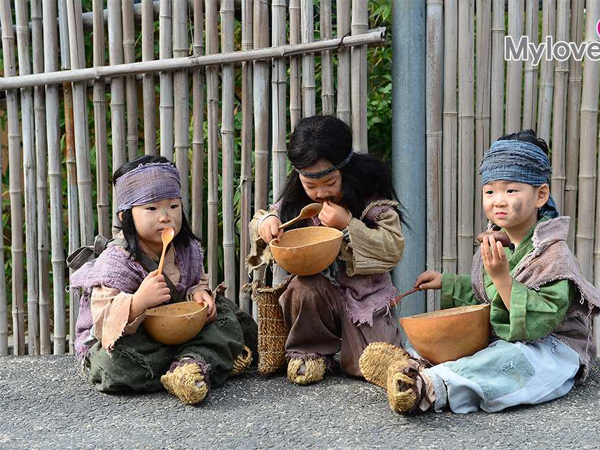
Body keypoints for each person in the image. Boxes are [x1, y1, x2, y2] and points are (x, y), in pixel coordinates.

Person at [359, 130, 600, 414]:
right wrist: (447, 283)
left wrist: (501, 277)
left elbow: (541, 322)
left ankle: (429, 386)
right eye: (490, 191)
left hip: (550, 349)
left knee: (508, 360)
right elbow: (485, 298)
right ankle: (410, 364)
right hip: (504, 337)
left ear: (540, 194)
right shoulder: (497, 240)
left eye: (511, 190)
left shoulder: (554, 255)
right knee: (453, 342)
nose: (498, 200)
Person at [70, 155, 257, 405]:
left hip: (179, 329)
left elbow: (195, 281)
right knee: (111, 365)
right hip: (134, 340)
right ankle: (199, 362)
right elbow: (102, 324)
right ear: (126, 217)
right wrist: (138, 302)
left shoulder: (186, 248)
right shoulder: (117, 261)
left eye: (173, 206)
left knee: (226, 315)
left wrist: (199, 294)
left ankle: (188, 365)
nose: (165, 216)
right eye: (151, 208)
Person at [248, 115, 408, 385]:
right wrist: (268, 222)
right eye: (311, 185)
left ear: (346, 170)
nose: (321, 193)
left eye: (330, 182)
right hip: (321, 296)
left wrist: (349, 224)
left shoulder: (371, 196)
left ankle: (362, 349)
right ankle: (310, 351)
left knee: (370, 364)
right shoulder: (296, 201)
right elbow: (261, 220)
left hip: (366, 298)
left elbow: (393, 248)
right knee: (303, 287)